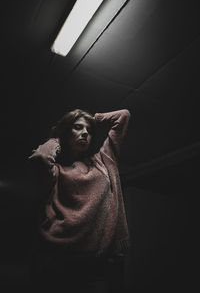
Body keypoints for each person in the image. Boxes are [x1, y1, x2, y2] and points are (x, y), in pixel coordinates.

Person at [28, 108, 131, 293]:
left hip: (95, 266)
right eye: (77, 127)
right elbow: (40, 157)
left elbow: (123, 115)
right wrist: (57, 137)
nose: (85, 132)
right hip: (58, 260)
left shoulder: (102, 160)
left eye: (89, 131)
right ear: (66, 133)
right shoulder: (56, 170)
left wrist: (93, 120)